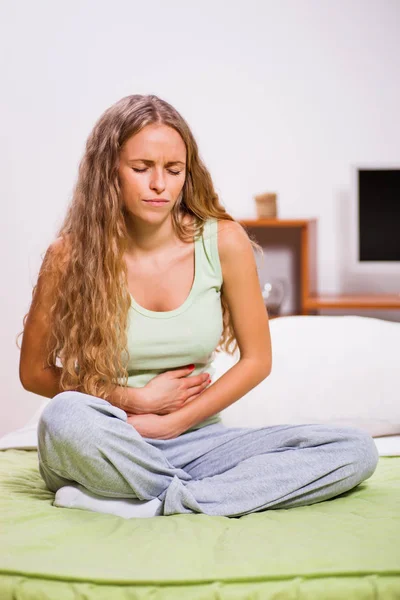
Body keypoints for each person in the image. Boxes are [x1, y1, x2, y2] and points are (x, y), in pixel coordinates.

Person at [17, 94, 379, 519]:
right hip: (110, 439)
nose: (160, 185)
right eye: (141, 168)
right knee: (64, 415)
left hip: (198, 442)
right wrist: (135, 401)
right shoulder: (68, 256)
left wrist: (172, 422)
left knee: (354, 450)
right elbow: (34, 373)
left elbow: (258, 360)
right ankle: (201, 495)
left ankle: (156, 502)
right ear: (109, 171)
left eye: (174, 170)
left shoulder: (224, 241)